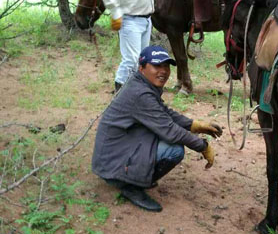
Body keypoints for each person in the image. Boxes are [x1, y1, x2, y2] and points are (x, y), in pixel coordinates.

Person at [92, 45, 222, 212]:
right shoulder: (141, 94)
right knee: (174, 150)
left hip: (115, 151)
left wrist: (194, 125)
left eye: (166, 66)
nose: (163, 71)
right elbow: (169, 130)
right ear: (142, 67)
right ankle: (130, 185)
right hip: (111, 163)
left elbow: (163, 112)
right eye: (157, 66)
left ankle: (133, 176)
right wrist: (203, 146)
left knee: (162, 137)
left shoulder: (141, 84)